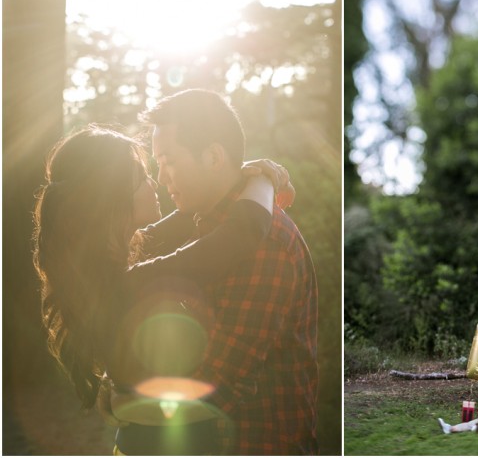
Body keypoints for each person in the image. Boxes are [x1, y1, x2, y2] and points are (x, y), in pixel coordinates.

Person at [33, 124, 290, 455]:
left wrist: (235, 174)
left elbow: (190, 212)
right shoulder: (134, 282)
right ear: (110, 196)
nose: (154, 181)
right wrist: (263, 180)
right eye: (140, 176)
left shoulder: (108, 273)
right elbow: (243, 232)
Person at [141, 90, 318, 455]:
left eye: (168, 160)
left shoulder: (264, 245)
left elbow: (218, 383)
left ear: (212, 156)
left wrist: (123, 401)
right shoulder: (204, 221)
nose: (161, 177)